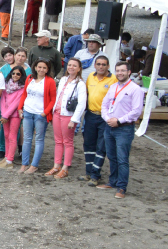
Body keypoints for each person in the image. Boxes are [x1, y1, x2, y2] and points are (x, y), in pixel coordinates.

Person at [96, 62, 145, 199]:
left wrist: (119, 121)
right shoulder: (113, 87)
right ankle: (113, 181)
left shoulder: (135, 89)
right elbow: (104, 105)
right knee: (112, 156)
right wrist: (108, 119)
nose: (120, 73)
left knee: (122, 158)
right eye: (118, 70)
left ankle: (122, 187)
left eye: (123, 70)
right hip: (109, 126)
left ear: (129, 72)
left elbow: (136, 111)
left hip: (124, 128)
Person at [49, 58, 88, 179]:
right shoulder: (63, 79)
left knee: (68, 141)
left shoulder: (80, 84)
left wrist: (74, 119)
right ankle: (56, 165)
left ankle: (65, 167)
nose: (71, 67)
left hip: (68, 115)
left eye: (74, 66)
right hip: (57, 112)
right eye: (70, 65)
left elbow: (82, 103)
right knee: (58, 141)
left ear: (79, 69)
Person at [82, 55, 113, 186]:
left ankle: (95, 175)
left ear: (108, 66)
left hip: (104, 117)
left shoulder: (113, 79)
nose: (101, 67)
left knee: (101, 146)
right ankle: (89, 172)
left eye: (103, 64)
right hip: (90, 115)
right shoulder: (90, 77)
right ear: (94, 65)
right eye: (98, 64)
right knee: (88, 144)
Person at [0, 66, 27, 169]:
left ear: (21, 75)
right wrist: (3, 114)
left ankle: (10, 160)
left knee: (12, 136)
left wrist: (6, 115)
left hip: (15, 115)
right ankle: (6, 156)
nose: (15, 76)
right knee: (6, 135)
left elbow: (16, 103)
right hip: (5, 114)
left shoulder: (22, 88)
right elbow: (2, 100)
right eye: (13, 73)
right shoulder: (6, 86)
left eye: (18, 74)